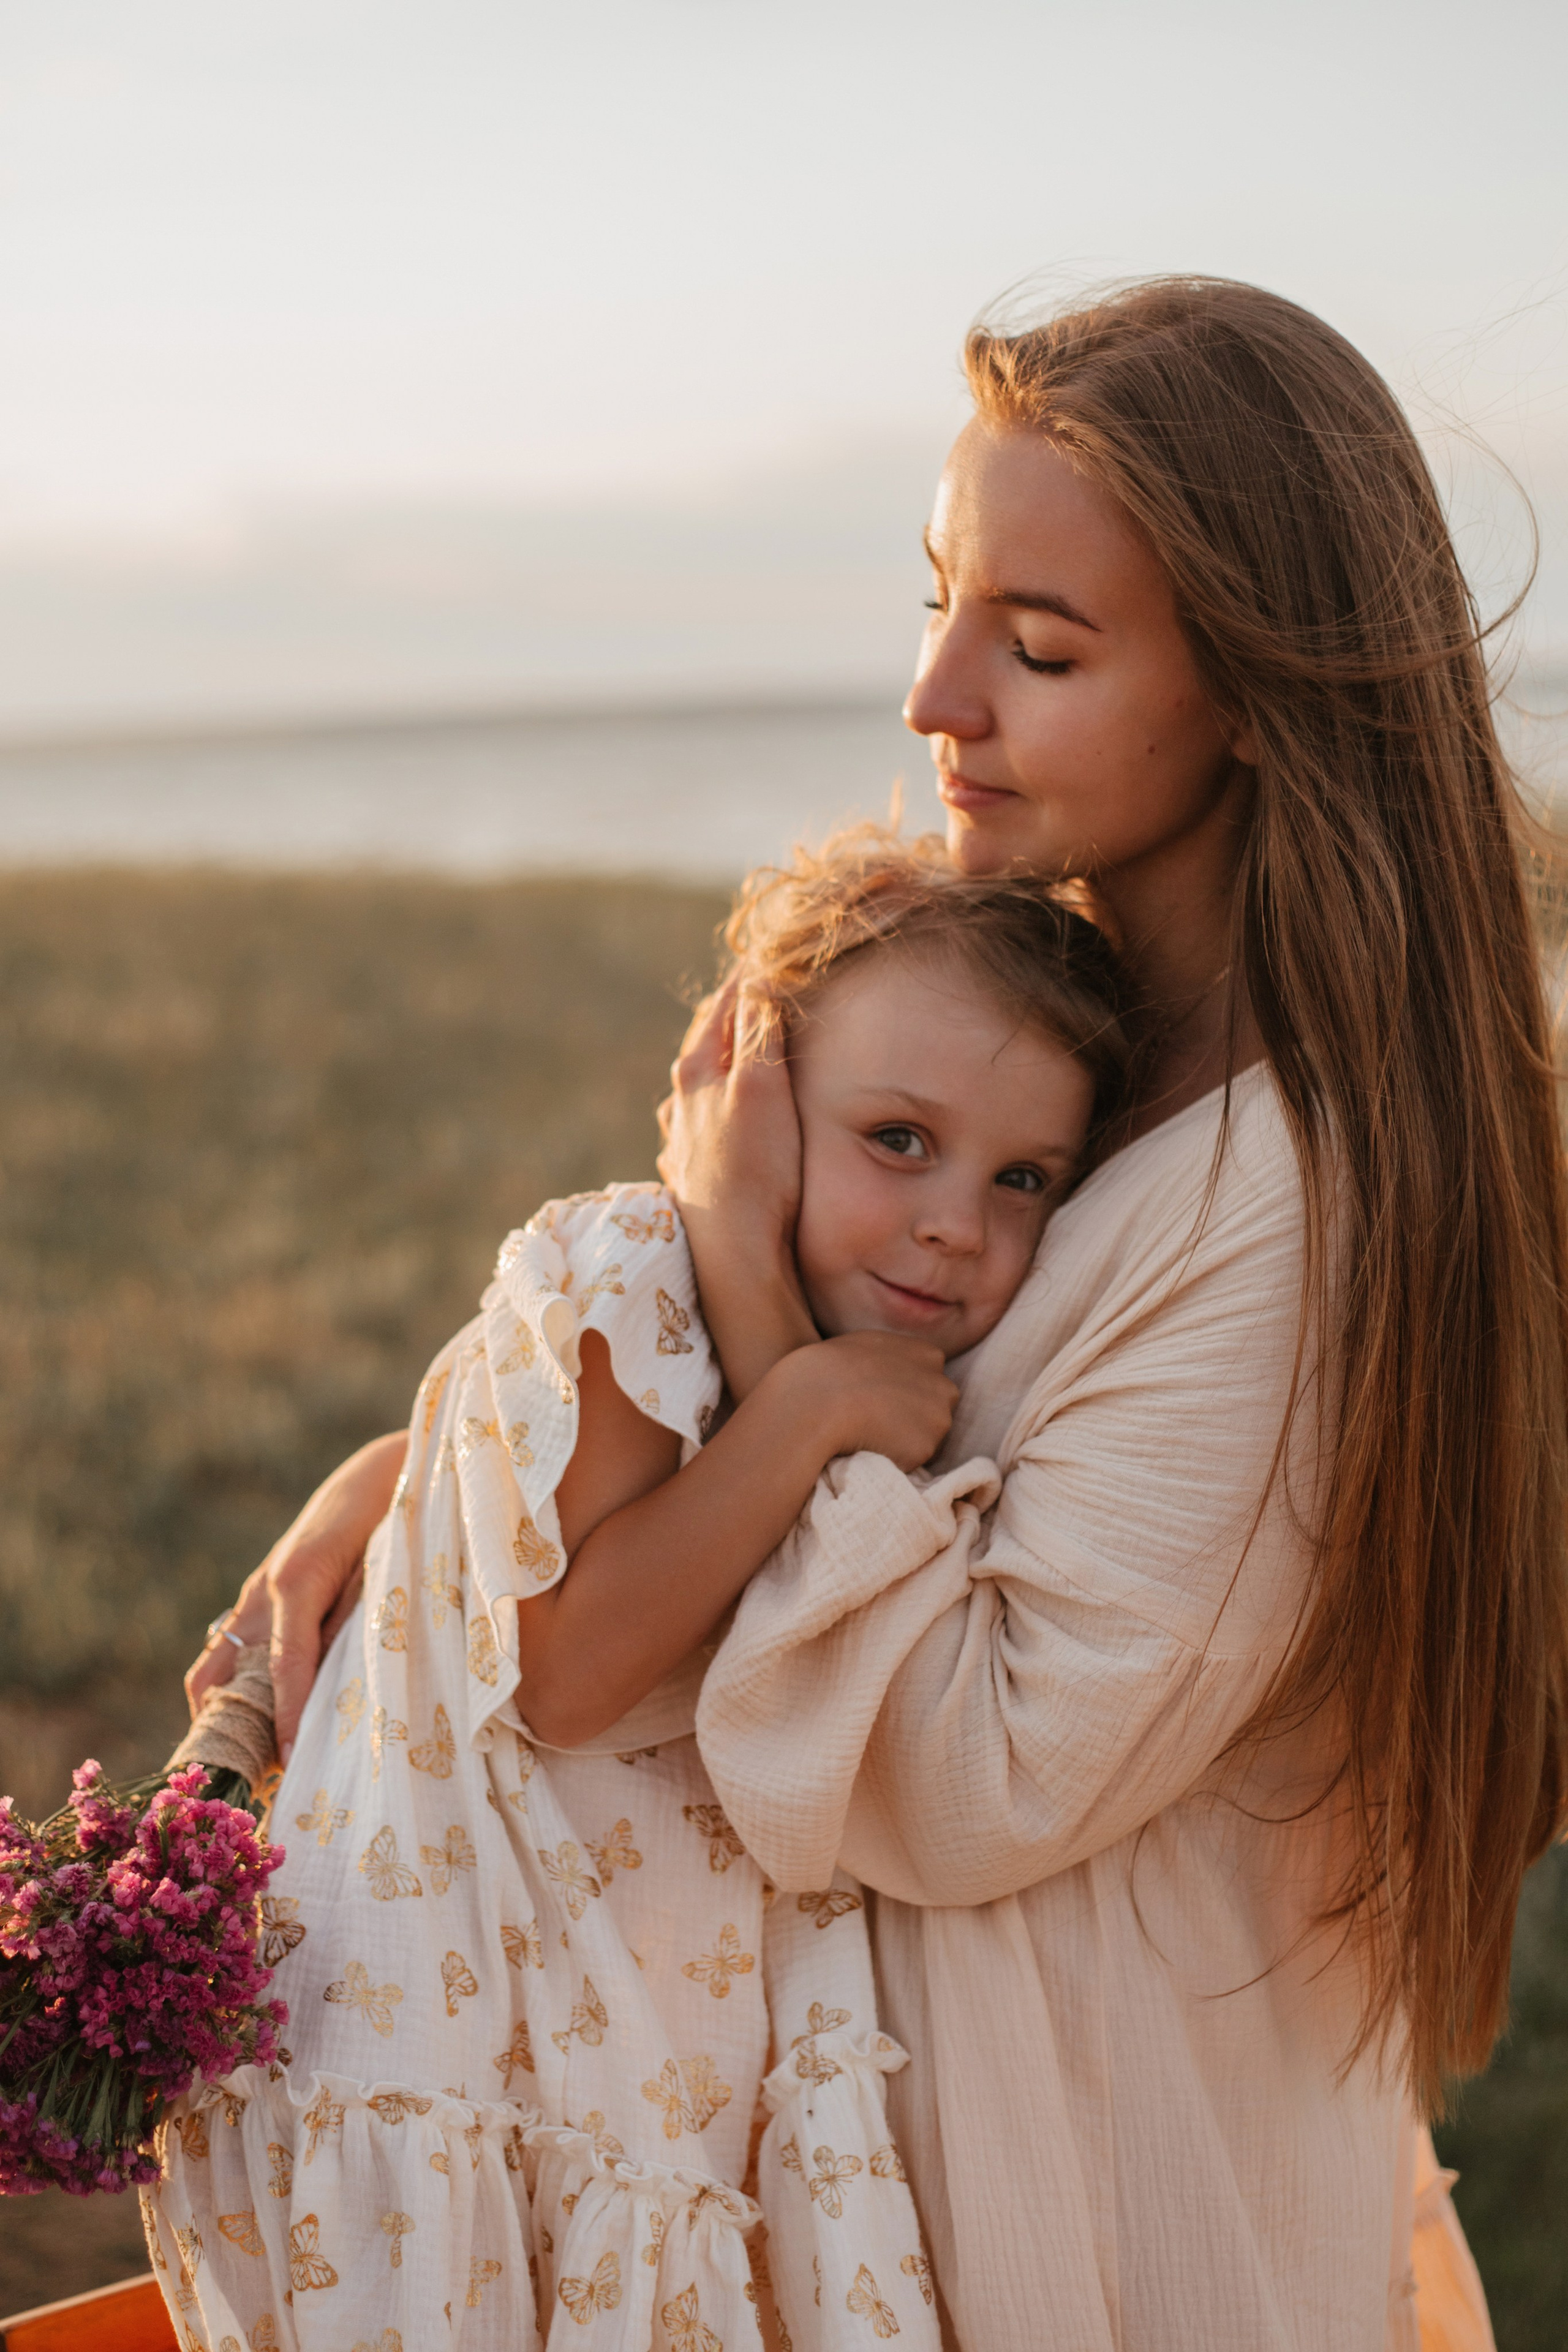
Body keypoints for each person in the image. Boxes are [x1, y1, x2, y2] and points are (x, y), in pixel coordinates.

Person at [190, 276, 1568, 2351]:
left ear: (1269, 695)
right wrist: (445, 1465)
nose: (936, 696)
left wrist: (758, 1304)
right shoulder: (1067, 1055)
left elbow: (958, 1777)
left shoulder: (1309, 1205)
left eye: (1040, 645)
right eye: (942, 603)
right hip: (859, 2186)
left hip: (1093, 2214)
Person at [156, 834, 1131, 2350]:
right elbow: (569, 1670)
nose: (957, 1222)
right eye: (896, 1139)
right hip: (461, 2030)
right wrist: (802, 1411)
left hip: (633, 2044)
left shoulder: (873, 1347)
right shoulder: (632, 1274)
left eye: (1022, 1178)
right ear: (755, 1098)